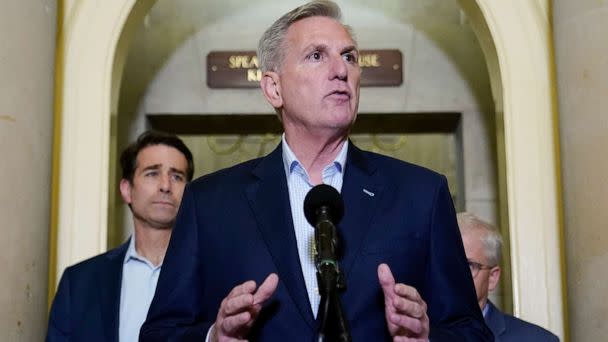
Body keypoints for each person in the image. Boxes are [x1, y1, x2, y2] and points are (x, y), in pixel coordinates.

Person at [141, 1, 492, 341]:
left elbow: (471, 332)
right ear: (273, 87)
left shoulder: (422, 195)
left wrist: (428, 337)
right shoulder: (209, 203)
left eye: (349, 57)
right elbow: (159, 334)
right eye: (316, 55)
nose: (341, 70)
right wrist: (213, 337)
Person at [46, 131, 194, 342]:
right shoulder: (79, 282)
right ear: (126, 189)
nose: (165, 185)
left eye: (177, 176)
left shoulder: (209, 275)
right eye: (152, 173)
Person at [457, 212, 559, 341]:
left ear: (492, 278)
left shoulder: (539, 340)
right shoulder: (425, 333)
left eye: (469, 266)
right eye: (444, 263)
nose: (452, 275)